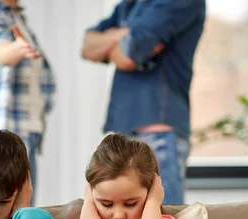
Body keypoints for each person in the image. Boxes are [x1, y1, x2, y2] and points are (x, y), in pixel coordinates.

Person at [81, 0, 206, 205]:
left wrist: (112, 40)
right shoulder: (130, 4)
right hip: (125, 130)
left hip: (158, 130)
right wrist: (122, 35)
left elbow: (128, 55)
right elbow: (87, 46)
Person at [0, 0, 55, 200]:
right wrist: (17, 48)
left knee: (22, 214)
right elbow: (3, 52)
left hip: (26, 132)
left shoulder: (17, 16)